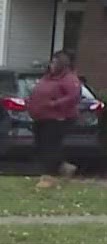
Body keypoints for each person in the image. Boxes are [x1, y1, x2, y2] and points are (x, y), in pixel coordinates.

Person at [25, 51, 82, 189]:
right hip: (41, 117)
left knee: (50, 147)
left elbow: (74, 96)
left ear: (62, 64)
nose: (51, 65)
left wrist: (55, 104)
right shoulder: (48, 78)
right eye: (51, 62)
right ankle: (64, 167)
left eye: (55, 62)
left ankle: (48, 178)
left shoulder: (68, 79)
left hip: (58, 118)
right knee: (40, 146)